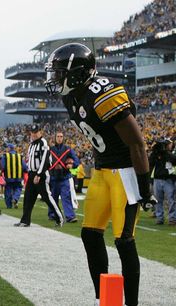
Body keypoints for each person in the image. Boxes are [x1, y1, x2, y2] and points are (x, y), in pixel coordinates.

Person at [45, 43, 157, 306]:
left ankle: (131, 304)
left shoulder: (103, 92)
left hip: (125, 173)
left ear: (78, 73)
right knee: (90, 234)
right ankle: (103, 299)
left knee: (124, 241)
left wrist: (144, 187)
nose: (55, 79)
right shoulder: (70, 95)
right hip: (101, 170)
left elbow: (137, 144)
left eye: (60, 73)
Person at [15, 124, 64, 227]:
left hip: (41, 174)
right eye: (32, 132)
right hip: (32, 174)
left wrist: (39, 174)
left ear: (40, 132)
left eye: (36, 132)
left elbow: (45, 160)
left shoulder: (43, 143)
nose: (34, 134)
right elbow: (30, 159)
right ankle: (25, 221)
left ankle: (60, 218)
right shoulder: (32, 144)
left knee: (47, 197)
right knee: (28, 198)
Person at [48, 132, 81, 223]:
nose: (59, 138)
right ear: (55, 138)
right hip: (53, 178)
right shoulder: (50, 150)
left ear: (63, 138)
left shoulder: (68, 149)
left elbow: (76, 160)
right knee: (53, 197)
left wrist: (72, 164)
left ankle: (70, 217)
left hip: (64, 177)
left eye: (61, 136)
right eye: (58, 136)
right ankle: (52, 214)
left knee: (66, 197)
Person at [148, 138, 176, 225]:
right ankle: (159, 218)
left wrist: (165, 152)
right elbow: (150, 162)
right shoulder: (156, 154)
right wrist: (155, 152)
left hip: (168, 179)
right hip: (157, 179)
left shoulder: (169, 154)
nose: (170, 145)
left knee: (171, 200)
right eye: (168, 144)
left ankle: (172, 219)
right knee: (158, 200)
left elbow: (174, 161)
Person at [0, 143, 27, 209]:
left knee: (8, 190)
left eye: (6, 147)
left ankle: (9, 205)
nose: (6, 149)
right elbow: (24, 167)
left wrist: (0, 173)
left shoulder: (5, 156)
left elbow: (2, 167)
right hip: (18, 177)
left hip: (9, 177)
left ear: (9, 148)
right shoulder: (19, 156)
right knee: (18, 188)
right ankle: (15, 198)